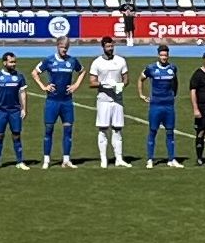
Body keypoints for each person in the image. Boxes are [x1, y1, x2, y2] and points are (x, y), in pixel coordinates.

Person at [33, 35, 80, 169]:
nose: (64, 50)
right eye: (62, 48)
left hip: (67, 102)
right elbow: (34, 73)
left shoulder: (72, 61)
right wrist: (44, 86)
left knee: (68, 130)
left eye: (66, 48)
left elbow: (82, 71)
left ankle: (66, 159)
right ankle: (46, 160)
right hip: (52, 101)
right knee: (48, 130)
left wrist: (75, 85)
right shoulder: (49, 60)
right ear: (57, 46)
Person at [90, 35, 133, 168]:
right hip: (103, 100)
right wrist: (103, 83)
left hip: (117, 100)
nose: (110, 48)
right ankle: (104, 159)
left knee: (117, 129)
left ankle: (119, 158)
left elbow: (126, 79)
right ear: (103, 47)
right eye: (108, 46)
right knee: (103, 129)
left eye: (112, 46)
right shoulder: (97, 62)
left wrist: (121, 85)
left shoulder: (121, 61)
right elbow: (92, 82)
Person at [140, 42, 182, 167]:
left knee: (170, 132)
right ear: (158, 55)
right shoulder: (151, 68)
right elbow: (140, 79)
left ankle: (171, 159)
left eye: (166, 55)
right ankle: (150, 159)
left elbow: (175, 82)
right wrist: (141, 94)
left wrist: (173, 95)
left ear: (168, 55)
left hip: (168, 105)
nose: (164, 57)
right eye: (162, 55)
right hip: (156, 105)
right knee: (153, 131)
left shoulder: (173, 68)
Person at [0, 51, 29, 169]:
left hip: (15, 111)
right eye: (11, 62)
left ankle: (20, 161)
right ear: (4, 63)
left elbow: (23, 93)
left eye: (14, 62)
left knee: (16, 135)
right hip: (1, 110)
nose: (13, 64)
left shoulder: (20, 77)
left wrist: (24, 109)